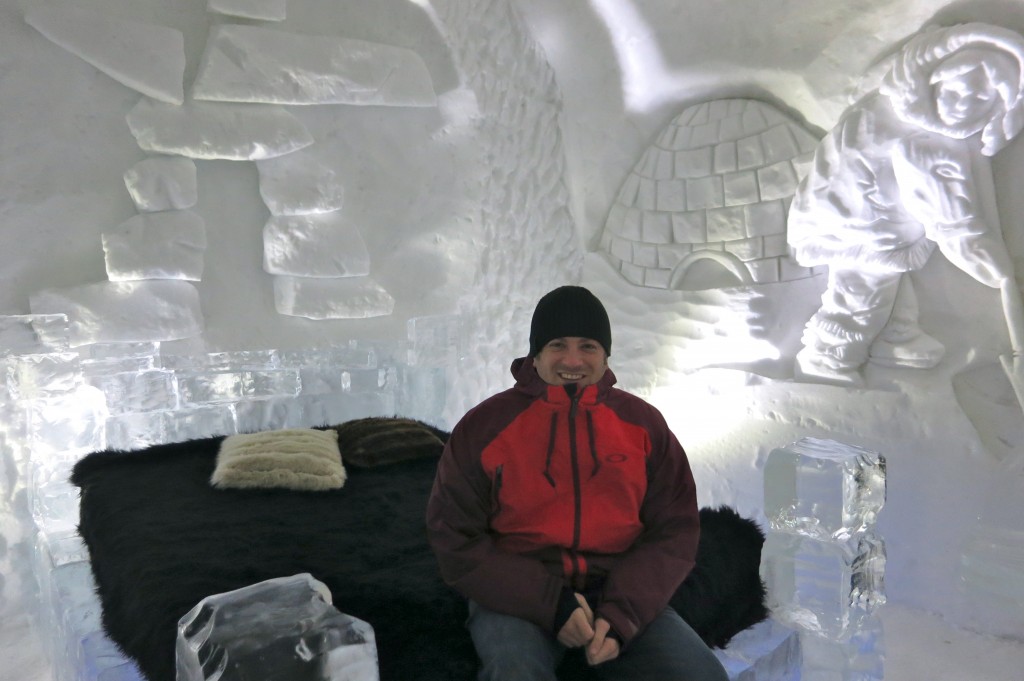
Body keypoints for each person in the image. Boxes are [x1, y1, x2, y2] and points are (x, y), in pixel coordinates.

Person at [426, 285, 727, 681]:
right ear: (535, 355)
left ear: (605, 356)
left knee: (701, 675)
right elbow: (455, 536)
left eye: (587, 346)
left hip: (618, 588)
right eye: (557, 345)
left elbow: (674, 530)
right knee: (514, 672)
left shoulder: (643, 425)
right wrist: (551, 604)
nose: (573, 359)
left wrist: (624, 614)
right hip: (516, 592)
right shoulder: (485, 427)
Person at [786, 23, 1024, 386]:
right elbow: (949, 217)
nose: (961, 106)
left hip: (839, 209)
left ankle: (898, 333)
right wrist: (991, 266)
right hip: (864, 225)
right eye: (955, 91)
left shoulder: (885, 104)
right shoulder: (929, 142)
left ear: (998, 107)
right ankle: (828, 359)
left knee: (885, 279)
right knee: (861, 295)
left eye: (979, 100)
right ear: (934, 83)